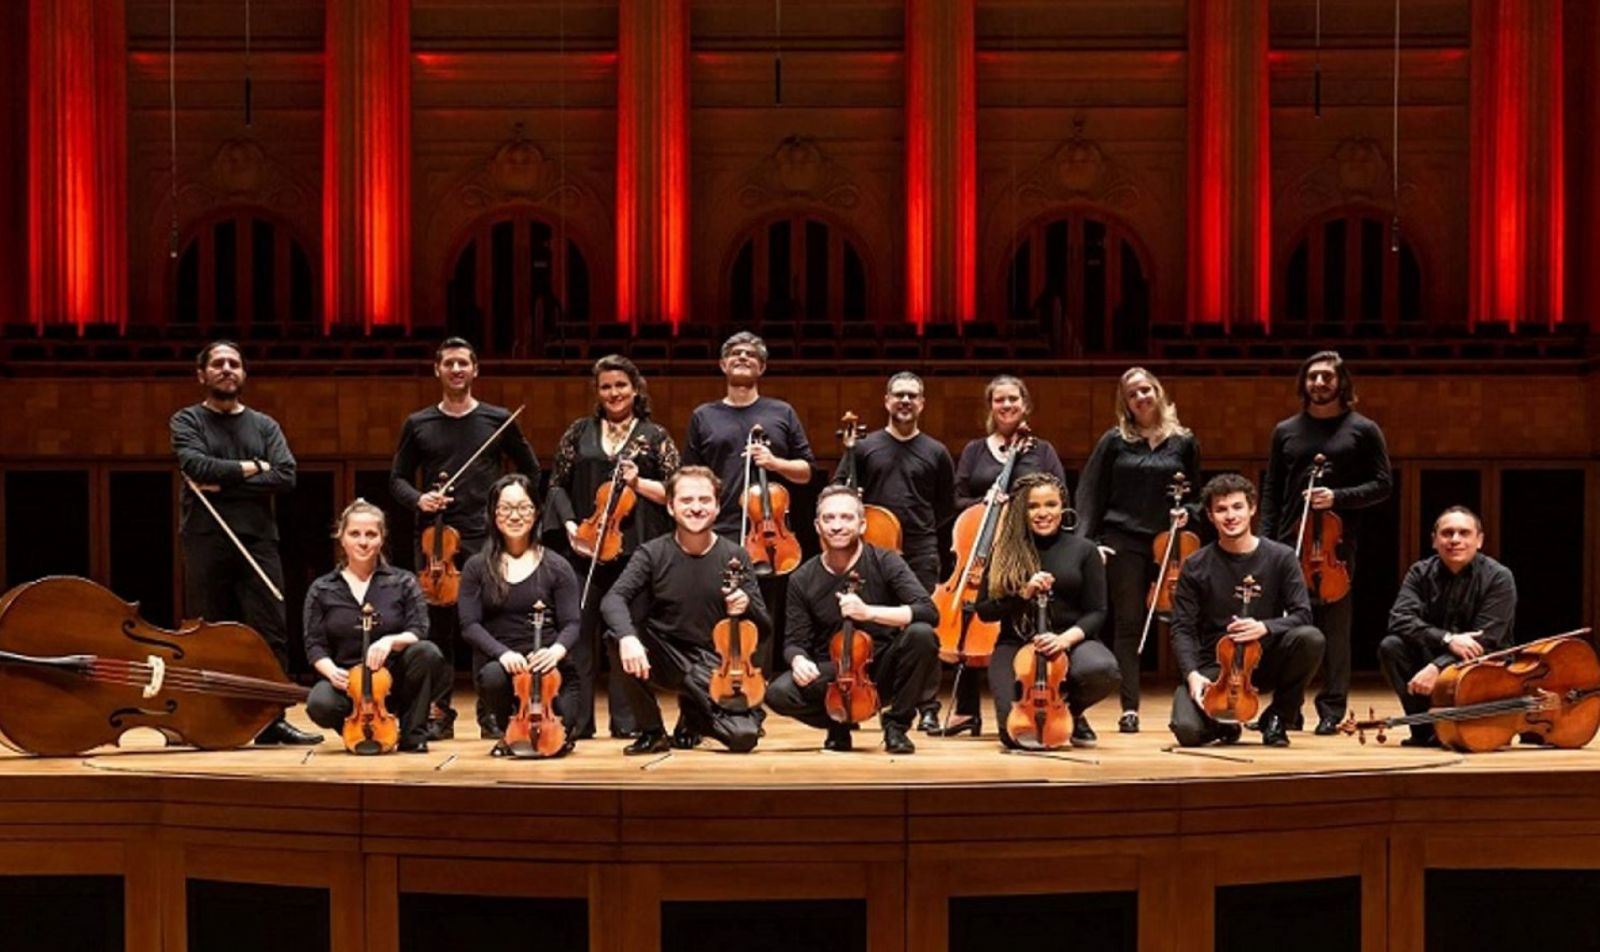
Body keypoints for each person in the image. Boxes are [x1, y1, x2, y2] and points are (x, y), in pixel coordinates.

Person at [390, 337, 541, 739]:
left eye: (463, 363)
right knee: (437, 629)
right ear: (437, 370)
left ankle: (490, 711)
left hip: (485, 537)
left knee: (485, 623)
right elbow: (397, 480)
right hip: (436, 544)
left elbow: (531, 470)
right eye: (449, 364)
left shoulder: (498, 420)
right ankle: (440, 711)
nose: (456, 370)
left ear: (475, 370)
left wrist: (508, 500)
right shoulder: (418, 423)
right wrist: (420, 499)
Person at [171, 340, 319, 745]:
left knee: (269, 631)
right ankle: (208, 720)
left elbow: (286, 476)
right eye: (217, 363)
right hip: (206, 539)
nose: (226, 368)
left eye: (234, 363)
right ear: (202, 374)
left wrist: (224, 481)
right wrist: (254, 468)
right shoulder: (187, 421)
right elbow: (195, 466)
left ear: (244, 373)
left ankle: (271, 722)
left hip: (257, 540)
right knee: (208, 632)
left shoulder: (264, 426)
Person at [544, 354, 679, 740]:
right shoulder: (578, 432)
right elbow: (556, 485)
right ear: (598, 392)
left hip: (636, 552)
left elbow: (675, 492)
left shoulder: (655, 438)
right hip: (583, 550)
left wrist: (638, 483)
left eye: (621, 385)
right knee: (580, 639)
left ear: (635, 389)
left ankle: (628, 721)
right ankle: (578, 722)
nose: (614, 392)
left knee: (626, 635)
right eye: (606, 386)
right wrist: (572, 528)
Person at [1259, 351, 1391, 735]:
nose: (1319, 383)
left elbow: (1383, 485)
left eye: (1327, 377)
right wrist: (1267, 541)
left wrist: (1338, 497)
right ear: (1303, 383)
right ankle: (1288, 709)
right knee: (1291, 631)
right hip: (1288, 541)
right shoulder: (1285, 430)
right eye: (1312, 377)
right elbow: (1272, 490)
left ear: (1341, 383)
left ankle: (1332, 707)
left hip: (1336, 545)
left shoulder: (1363, 430)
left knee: (1334, 630)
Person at [931, 374, 1068, 736]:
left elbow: (1059, 494)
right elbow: (956, 498)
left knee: (1010, 619)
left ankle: (1036, 697)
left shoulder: (1042, 451)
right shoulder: (976, 450)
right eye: (999, 400)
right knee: (966, 612)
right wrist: (986, 500)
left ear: (1025, 405)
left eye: (1013, 400)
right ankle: (966, 709)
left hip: (1024, 549)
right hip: (978, 545)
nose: (1006, 406)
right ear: (991, 406)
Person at [600, 466, 770, 755]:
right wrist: (629, 637)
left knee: (744, 737)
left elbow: (763, 626)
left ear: (717, 507)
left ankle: (694, 717)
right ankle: (652, 732)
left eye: (705, 500)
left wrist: (747, 605)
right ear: (670, 506)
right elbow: (612, 599)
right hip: (663, 654)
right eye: (686, 500)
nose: (695, 508)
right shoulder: (652, 553)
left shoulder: (736, 556)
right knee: (615, 637)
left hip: (713, 663)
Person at [766, 486, 941, 754]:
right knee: (778, 693)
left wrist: (869, 612)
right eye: (829, 518)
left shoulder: (885, 561)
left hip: (883, 668)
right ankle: (837, 723)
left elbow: (928, 611)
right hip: (834, 673)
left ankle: (896, 726)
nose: (837, 526)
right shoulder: (802, 578)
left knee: (921, 634)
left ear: (862, 525)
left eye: (846, 518)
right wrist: (799, 660)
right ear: (817, 525)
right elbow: (794, 642)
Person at [1075, 367, 1202, 734]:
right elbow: (1090, 493)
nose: (1141, 397)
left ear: (1158, 392)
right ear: (1125, 403)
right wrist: (1091, 543)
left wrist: (1188, 514)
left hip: (1170, 541)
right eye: (1133, 393)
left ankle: (1190, 700)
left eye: (1146, 389)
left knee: (1180, 621)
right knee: (1129, 623)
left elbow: (1195, 493)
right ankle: (1129, 707)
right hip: (1123, 539)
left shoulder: (1184, 441)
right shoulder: (1114, 441)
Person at [1169, 473, 1325, 748]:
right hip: (1215, 667)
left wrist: (1265, 627)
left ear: (1252, 509)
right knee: (1187, 731)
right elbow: (1182, 627)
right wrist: (1192, 673)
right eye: (1221, 509)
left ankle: (1278, 716)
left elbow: (1303, 614)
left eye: (1237, 507)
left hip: (1263, 660)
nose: (1230, 516)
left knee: (1310, 638)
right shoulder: (1195, 564)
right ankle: (1225, 727)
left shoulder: (1281, 557)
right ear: (1210, 515)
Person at [974, 473, 1120, 748]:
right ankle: (1056, 715)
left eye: (1051, 505)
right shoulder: (1004, 552)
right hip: (1016, 644)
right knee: (1017, 734)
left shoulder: (1084, 550)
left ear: (1062, 506)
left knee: (1103, 670)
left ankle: (1070, 712)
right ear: (1021, 511)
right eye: (1033, 506)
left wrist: (1064, 640)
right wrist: (1022, 594)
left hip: (1070, 640)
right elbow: (984, 611)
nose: (1043, 513)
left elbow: (1097, 611)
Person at [302, 500, 450, 753]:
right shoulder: (323, 588)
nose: (363, 541)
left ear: (381, 539)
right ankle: (359, 728)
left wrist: (391, 641)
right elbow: (314, 643)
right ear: (342, 538)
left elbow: (419, 629)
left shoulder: (403, 581)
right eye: (355, 534)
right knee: (320, 703)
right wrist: (330, 671)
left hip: (394, 681)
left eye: (371, 534)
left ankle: (413, 734)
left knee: (427, 653)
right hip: (349, 684)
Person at [1378, 506, 1517, 747]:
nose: (1455, 540)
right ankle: (1425, 730)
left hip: (1485, 665)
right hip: (1439, 652)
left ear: (1479, 540)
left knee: (1481, 651)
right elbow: (1399, 618)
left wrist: (1436, 667)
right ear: (1434, 540)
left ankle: (1478, 723)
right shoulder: (1420, 573)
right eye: (1447, 533)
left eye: (1464, 533)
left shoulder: (1499, 577)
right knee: (1392, 646)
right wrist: (1448, 639)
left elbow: (1488, 639)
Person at [458, 474, 581, 743]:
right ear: (493, 514)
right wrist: (502, 654)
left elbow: (572, 623)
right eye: (505, 508)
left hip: (550, 669)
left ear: (537, 512)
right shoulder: (477, 567)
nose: (515, 516)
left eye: (523, 507)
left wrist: (556, 651)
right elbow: (469, 625)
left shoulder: (557, 566)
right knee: (492, 676)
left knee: (562, 734)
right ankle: (499, 720)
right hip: (503, 666)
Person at [682, 331, 816, 542]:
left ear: (761, 368)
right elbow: (689, 476)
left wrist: (775, 463)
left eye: (751, 355)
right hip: (718, 526)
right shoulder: (703, 415)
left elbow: (807, 472)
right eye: (735, 353)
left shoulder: (782, 412)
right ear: (723, 365)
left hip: (771, 528)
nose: (743, 357)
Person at [832, 371, 955, 593]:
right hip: (872, 547)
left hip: (921, 552)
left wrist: (920, 525)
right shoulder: (863, 446)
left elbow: (946, 505)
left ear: (922, 403)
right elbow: (836, 491)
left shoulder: (937, 451)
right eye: (899, 395)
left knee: (919, 619)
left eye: (912, 395)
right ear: (887, 401)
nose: (905, 400)